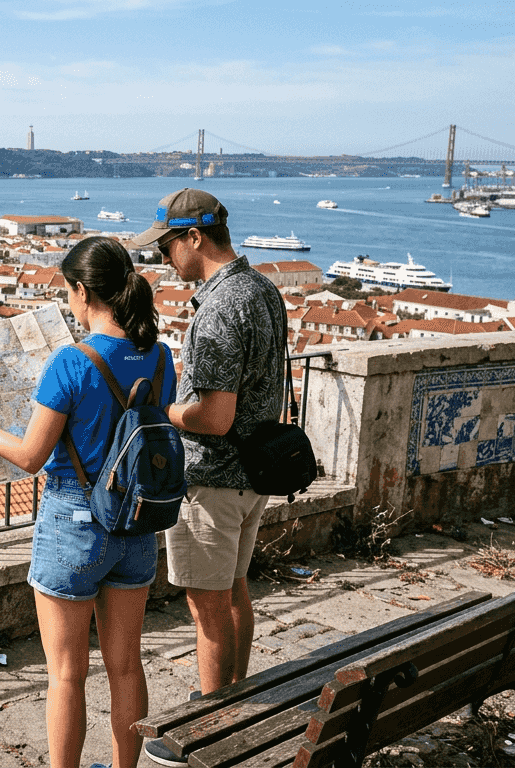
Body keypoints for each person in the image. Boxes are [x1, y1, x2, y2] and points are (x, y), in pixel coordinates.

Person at [0, 236, 175, 768]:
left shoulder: (70, 364)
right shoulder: (161, 356)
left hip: (74, 521)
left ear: (81, 292)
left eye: (68, 293)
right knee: (127, 666)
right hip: (137, 521)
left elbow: (30, 456)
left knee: (66, 674)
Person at [126, 189, 286, 767]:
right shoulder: (263, 289)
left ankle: (210, 730)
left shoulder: (218, 307)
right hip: (253, 475)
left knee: (206, 609)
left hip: (213, 479)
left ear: (195, 237)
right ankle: (237, 701)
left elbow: (213, 417)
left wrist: (156, 408)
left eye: (167, 244)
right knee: (235, 591)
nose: (164, 256)